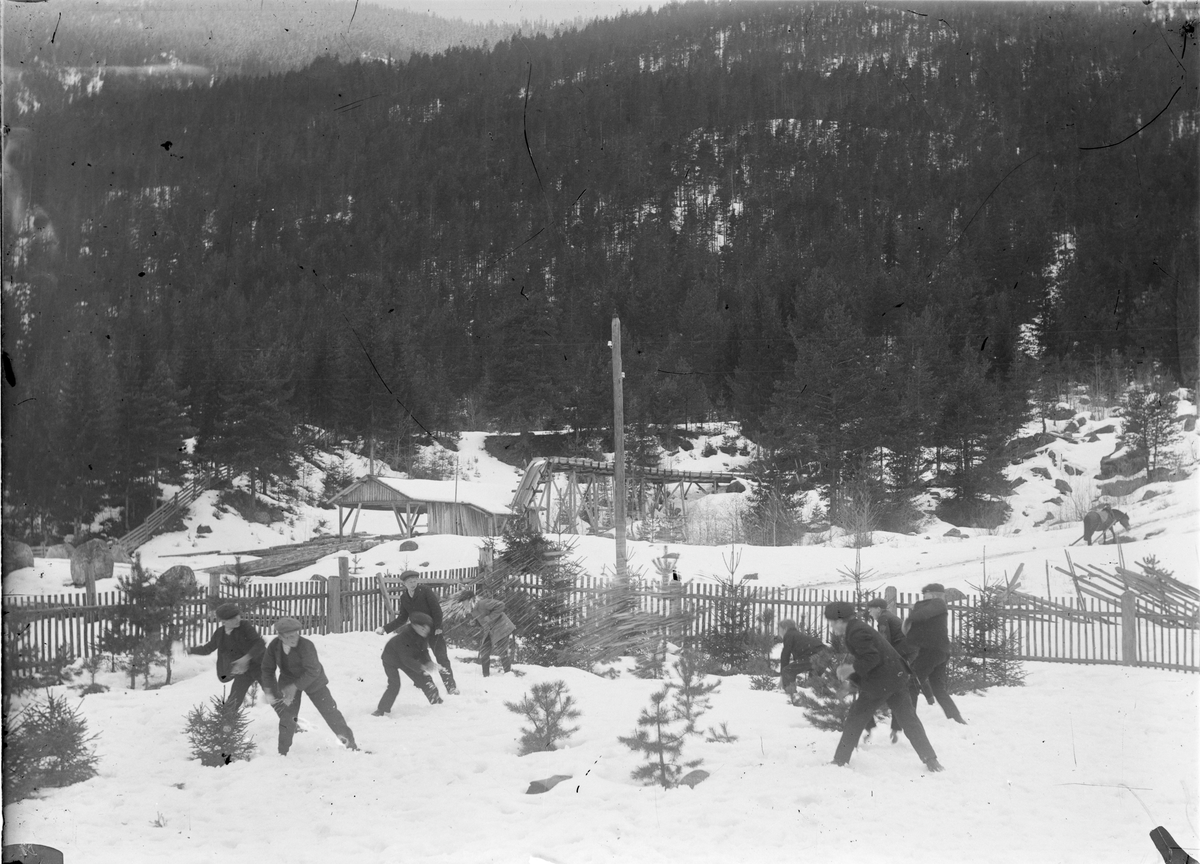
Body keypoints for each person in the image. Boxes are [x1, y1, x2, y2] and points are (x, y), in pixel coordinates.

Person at [823, 601, 943, 772]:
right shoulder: (858, 628)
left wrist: (850, 669)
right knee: (909, 720)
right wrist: (852, 682)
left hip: (881, 682)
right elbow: (871, 658)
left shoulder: (856, 632)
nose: (833, 627)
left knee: (855, 718)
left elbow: (872, 658)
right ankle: (931, 760)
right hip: (896, 678)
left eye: (832, 622)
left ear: (840, 620)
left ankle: (840, 761)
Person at [261, 617, 357, 755]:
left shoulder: (306, 645)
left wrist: (295, 687)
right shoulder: (274, 646)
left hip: (314, 681)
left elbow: (313, 671)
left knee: (330, 712)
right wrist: (270, 691)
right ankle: (282, 753)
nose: (294, 639)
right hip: (288, 681)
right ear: (280, 637)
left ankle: (351, 746)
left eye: (296, 635)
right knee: (287, 717)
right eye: (289, 636)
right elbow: (267, 669)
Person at [375, 570, 458, 695]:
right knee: (416, 658)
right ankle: (421, 682)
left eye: (415, 581)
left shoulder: (425, 591)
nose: (413, 583)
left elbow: (437, 610)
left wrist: (438, 627)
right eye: (410, 582)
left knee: (441, 658)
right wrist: (385, 628)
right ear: (404, 583)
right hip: (417, 634)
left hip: (433, 630)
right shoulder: (404, 597)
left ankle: (451, 686)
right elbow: (402, 618)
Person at [903, 583, 967, 726]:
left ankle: (909, 720)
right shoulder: (936, 607)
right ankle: (957, 719)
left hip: (933, 652)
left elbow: (920, 615)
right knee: (938, 688)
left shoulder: (938, 603)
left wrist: (912, 612)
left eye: (924, 595)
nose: (923, 598)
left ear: (931, 594)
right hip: (938, 652)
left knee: (912, 681)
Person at [866, 597, 924, 742]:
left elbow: (884, 642)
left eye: (871, 609)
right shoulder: (888, 616)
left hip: (905, 652)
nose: (869, 612)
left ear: (878, 609)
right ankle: (897, 727)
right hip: (909, 651)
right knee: (902, 686)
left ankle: (893, 725)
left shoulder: (883, 618)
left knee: (897, 685)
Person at [187, 602, 265, 710]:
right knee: (233, 702)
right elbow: (207, 649)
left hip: (260, 667)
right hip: (243, 673)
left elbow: (259, 643)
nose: (238, 619)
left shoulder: (245, 626)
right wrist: (189, 650)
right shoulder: (220, 634)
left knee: (274, 696)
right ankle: (225, 726)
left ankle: (290, 724)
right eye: (233, 619)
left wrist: (246, 658)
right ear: (223, 621)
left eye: (238, 616)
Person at [373, 611, 446, 714]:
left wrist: (428, 662)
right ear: (415, 626)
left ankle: (437, 703)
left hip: (408, 659)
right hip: (391, 659)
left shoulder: (422, 635)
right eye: (423, 628)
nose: (426, 630)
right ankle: (381, 710)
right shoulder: (404, 637)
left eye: (427, 628)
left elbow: (423, 651)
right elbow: (406, 659)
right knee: (394, 685)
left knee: (425, 678)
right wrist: (421, 667)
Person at [459, 589, 516, 677]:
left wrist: (490, 618)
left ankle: (508, 675)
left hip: (501, 627)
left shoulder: (483, 603)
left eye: (464, 602)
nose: (463, 604)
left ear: (470, 600)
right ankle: (486, 676)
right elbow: (482, 622)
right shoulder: (473, 611)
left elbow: (501, 605)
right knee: (484, 651)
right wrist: (475, 623)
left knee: (502, 651)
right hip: (489, 631)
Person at [777, 619, 827, 698]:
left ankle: (790, 694)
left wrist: (783, 676)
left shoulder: (789, 634)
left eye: (779, 630)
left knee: (788, 670)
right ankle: (823, 693)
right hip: (823, 652)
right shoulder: (797, 635)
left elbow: (785, 655)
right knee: (814, 676)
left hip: (813, 654)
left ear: (785, 629)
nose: (778, 633)